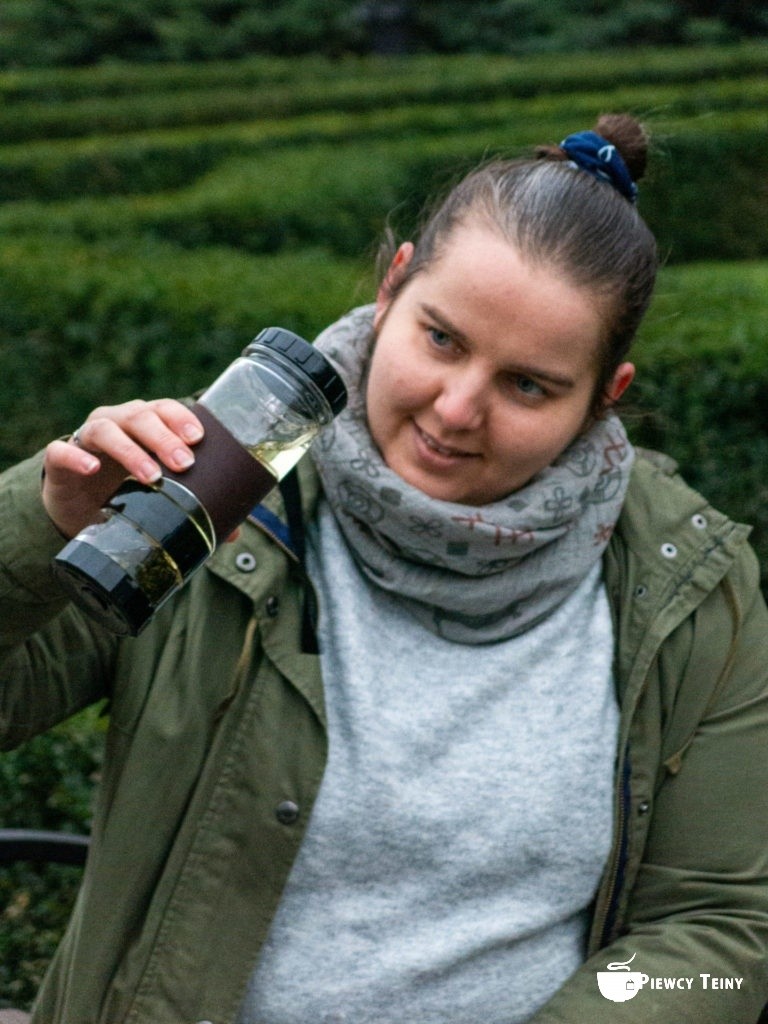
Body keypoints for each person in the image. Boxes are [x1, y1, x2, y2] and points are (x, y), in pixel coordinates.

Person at [1, 112, 768, 1024]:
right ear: (393, 284)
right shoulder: (214, 495)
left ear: (606, 396)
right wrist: (45, 520)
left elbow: (720, 935)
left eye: (528, 384)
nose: (457, 408)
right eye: (441, 339)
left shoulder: (690, 583)